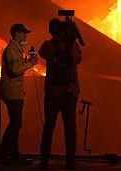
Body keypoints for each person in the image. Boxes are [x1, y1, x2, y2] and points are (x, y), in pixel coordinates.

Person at [38, 18, 82, 170]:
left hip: (52, 92)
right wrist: (71, 38)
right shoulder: (73, 46)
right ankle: (70, 162)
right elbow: (79, 59)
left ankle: (44, 161)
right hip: (69, 92)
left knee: (49, 126)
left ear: (51, 30)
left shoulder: (48, 46)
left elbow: (41, 53)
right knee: (70, 127)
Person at [0, 23, 38, 166]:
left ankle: (14, 154)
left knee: (16, 124)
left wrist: (27, 61)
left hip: (16, 92)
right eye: (24, 33)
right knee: (16, 124)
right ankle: (3, 154)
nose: (26, 36)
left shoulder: (17, 50)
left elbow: (17, 67)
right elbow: (15, 70)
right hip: (12, 92)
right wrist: (30, 64)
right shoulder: (12, 50)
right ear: (17, 34)